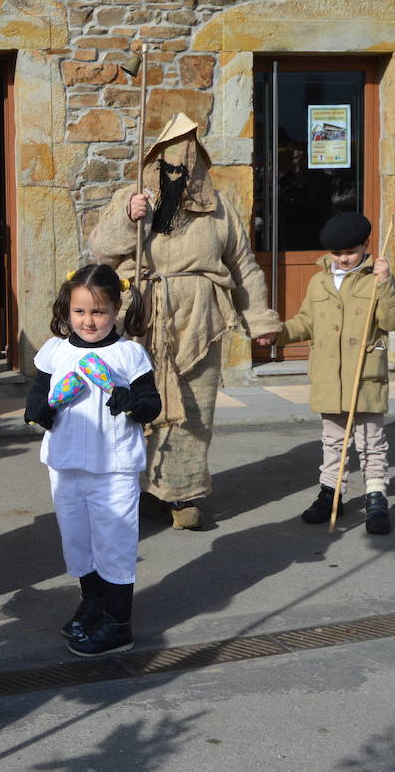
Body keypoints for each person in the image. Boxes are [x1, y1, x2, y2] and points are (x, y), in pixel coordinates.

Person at [89, 113, 280, 530]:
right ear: (154, 163)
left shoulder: (220, 209)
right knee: (133, 404)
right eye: (168, 166)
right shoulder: (134, 198)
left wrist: (260, 318)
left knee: (193, 406)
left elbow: (244, 265)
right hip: (141, 316)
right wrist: (127, 214)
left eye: (185, 167)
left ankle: (182, 493)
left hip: (200, 319)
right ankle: (134, 489)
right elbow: (101, 251)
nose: (177, 174)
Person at [23, 264, 160, 656]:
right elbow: (39, 392)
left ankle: (119, 624)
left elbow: (151, 405)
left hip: (113, 467)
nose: (88, 320)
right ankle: (93, 603)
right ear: (67, 310)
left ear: (116, 309)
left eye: (98, 312)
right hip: (65, 464)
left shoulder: (129, 354)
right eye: (80, 311)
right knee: (78, 541)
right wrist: (39, 410)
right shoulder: (54, 351)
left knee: (113, 543)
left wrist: (129, 401)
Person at [277, 213, 395, 535]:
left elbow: (394, 321)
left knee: (371, 442)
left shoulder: (376, 277)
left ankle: (376, 496)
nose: (343, 259)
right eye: (337, 254)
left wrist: (386, 281)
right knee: (333, 441)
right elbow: (306, 322)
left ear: (365, 245)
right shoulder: (318, 281)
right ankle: (330, 493)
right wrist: (277, 334)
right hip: (329, 377)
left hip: (365, 376)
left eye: (349, 252)